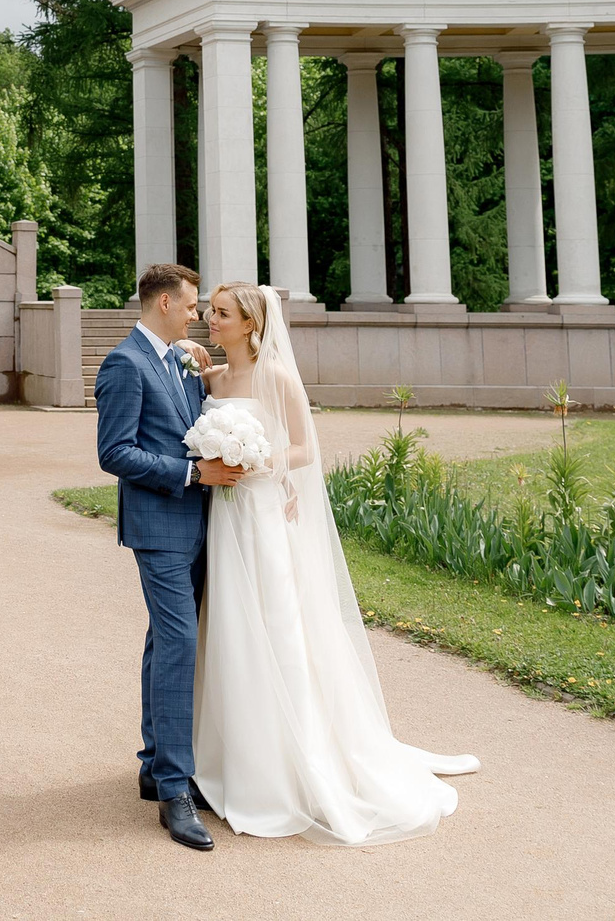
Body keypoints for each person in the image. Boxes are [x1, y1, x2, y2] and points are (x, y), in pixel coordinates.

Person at [186, 280, 478, 845]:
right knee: (230, 627)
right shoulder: (214, 379)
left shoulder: (277, 376)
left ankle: (296, 762)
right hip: (224, 518)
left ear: (250, 323)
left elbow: (304, 449)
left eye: (220, 314)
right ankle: (234, 756)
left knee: (278, 627)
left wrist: (257, 458)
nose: (210, 320)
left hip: (264, 514)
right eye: (210, 312)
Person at [92, 262, 247, 851]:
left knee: (168, 641)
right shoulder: (124, 365)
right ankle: (175, 789)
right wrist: (192, 472)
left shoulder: (182, 360)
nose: (196, 314)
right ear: (163, 304)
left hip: (203, 522)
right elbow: (116, 453)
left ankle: (155, 763)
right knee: (180, 641)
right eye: (189, 304)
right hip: (159, 527)